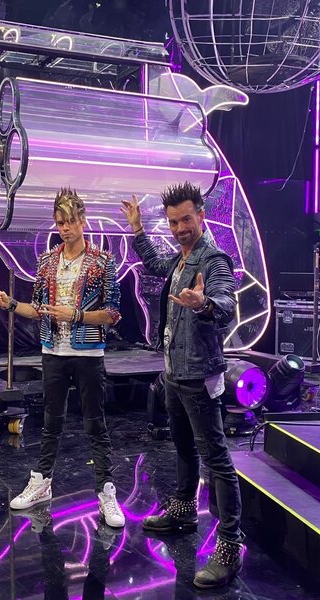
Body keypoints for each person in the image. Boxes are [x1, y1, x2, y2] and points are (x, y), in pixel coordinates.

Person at [121, 184, 244, 589]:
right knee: (184, 447)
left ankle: (229, 547)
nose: (179, 229)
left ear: (201, 216)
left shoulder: (214, 259)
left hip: (199, 375)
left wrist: (205, 304)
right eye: (173, 222)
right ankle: (184, 511)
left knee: (217, 460)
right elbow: (157, 264)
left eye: (186, 219)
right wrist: (138, 230)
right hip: (174, 372)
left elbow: (226, 304)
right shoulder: (182, 257)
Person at [0, 188, 125, 528]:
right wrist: (10, 303)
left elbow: (113, 314)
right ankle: (42, 481)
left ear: (83, 220)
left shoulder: (102, 261)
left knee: (95, 424)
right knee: (50, 423)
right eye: (60, 223)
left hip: (88, 353)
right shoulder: (47, 261)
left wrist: (75, 315)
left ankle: (106, 491)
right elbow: (39, 310)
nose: (65, 228)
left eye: (70, 221)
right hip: (53, 352)